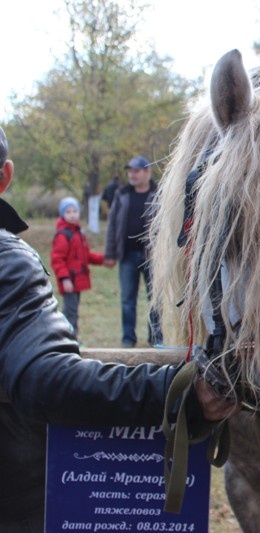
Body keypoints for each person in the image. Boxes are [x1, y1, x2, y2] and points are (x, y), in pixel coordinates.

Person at [0, 127, 237, 532]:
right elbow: (45, 379)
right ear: (6, 175)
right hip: (15, 507)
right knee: (128, 303)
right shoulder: (7, 259)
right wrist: (178, 394)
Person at [105, 156, 163, 347]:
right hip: (127, 256)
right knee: (127, 300)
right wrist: (109, 254)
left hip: (152, 257)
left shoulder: (159, 194)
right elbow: (112, 225)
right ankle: (128, 339)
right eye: (130, 171)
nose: (132, 174)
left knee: (155, 300)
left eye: (136, 171)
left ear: (147, 172)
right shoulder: (121, 195)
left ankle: (156, 338)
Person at [50, 196, 107, 342]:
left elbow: (85, 255)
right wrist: (64, 279)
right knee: (70, 311)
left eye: (74, 211)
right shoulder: (63, 235)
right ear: (63, 214)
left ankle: (72, 337)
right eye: (68, 212)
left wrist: (103, 259)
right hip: (70, 281)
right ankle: (68, 339)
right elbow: (57, 260)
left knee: (73, 311)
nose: (72, 214)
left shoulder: (78, 233)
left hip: (78, 281)